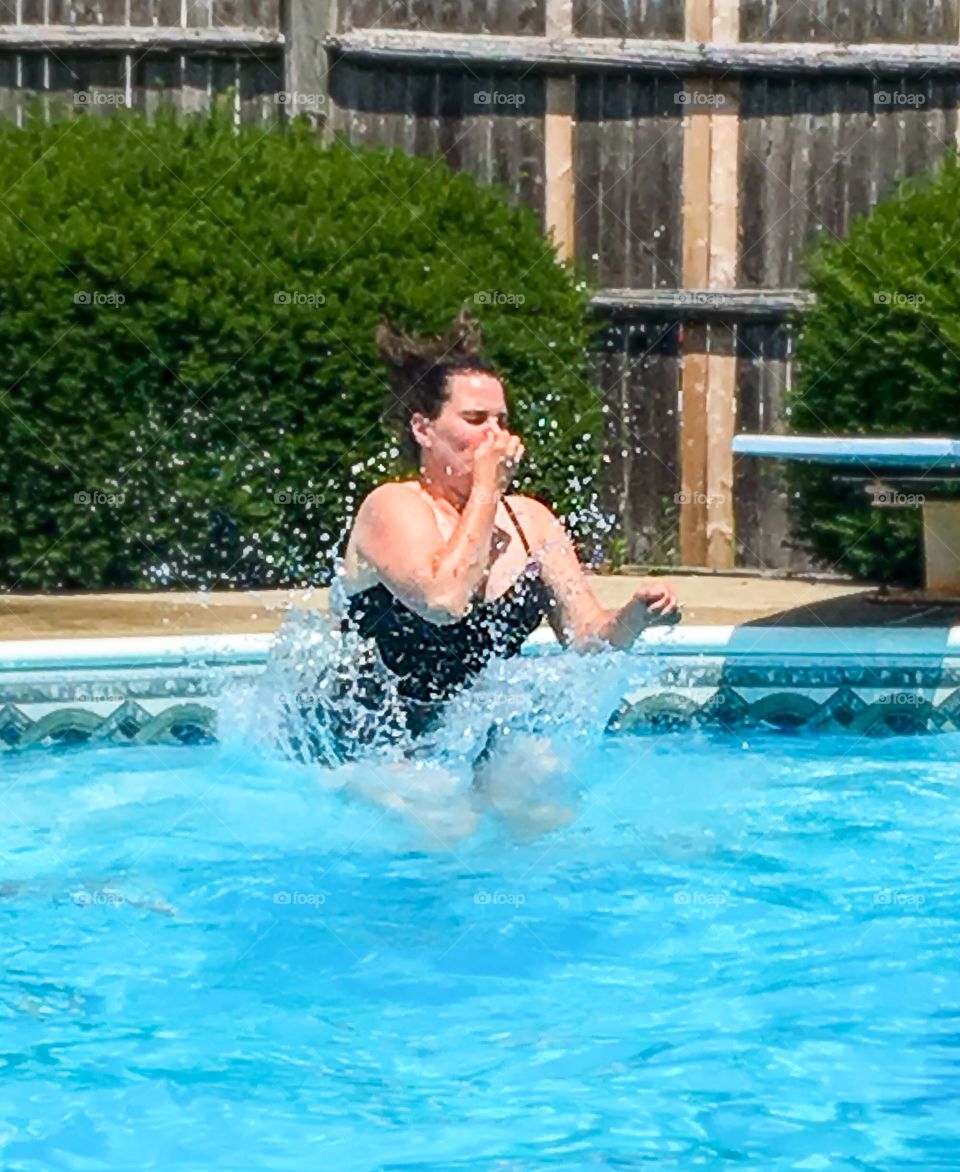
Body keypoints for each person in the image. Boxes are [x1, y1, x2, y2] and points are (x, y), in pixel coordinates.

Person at [326, 308, 679, 762]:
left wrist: (635, 616)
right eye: (475, 419)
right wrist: (488, 488)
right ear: (423, 429)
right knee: (443, 817)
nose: (496, 435)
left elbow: (587, 637)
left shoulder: (529, 521)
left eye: (501, 420)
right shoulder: (391, 506)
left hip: (470, 743)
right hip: (370, 746)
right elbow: (444, 601)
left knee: (540, 794)